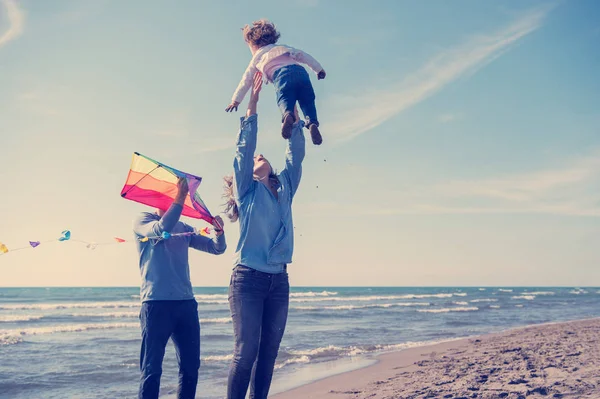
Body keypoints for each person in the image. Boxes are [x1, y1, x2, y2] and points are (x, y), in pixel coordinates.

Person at [223, 71, 305, 399]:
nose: (257, 157)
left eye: (262, 156)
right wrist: (252, 104)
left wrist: (294, 118)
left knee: (269, 356)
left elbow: (295, 155)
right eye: (255, 158)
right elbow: (244, 150)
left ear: (269, 164)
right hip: (248, 280)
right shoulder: (247, 191)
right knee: (246, 355)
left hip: (279, 281)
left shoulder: (285, 187)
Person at [133, 177, 227, 399]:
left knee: (191, 367)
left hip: (186, 305)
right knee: (151, 369)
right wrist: (180, 196)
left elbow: (216, 249)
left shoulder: (184, 228)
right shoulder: (143, 220)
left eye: (173, 194)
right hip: (156, 305)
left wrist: (219, 233)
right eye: (168, 195)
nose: (172, 198)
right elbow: (161, 228)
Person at [225, 19, 326, 146]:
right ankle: (311, 122)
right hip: (301, 73)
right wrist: (319, 69)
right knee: (307, 101)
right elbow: (303, 55)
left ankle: (287, 114)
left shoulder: (257, 57)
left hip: (281, 76)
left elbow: (246, 79)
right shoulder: (283, 47)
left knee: (284, 97)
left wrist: (236, 100)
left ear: (254, 45)